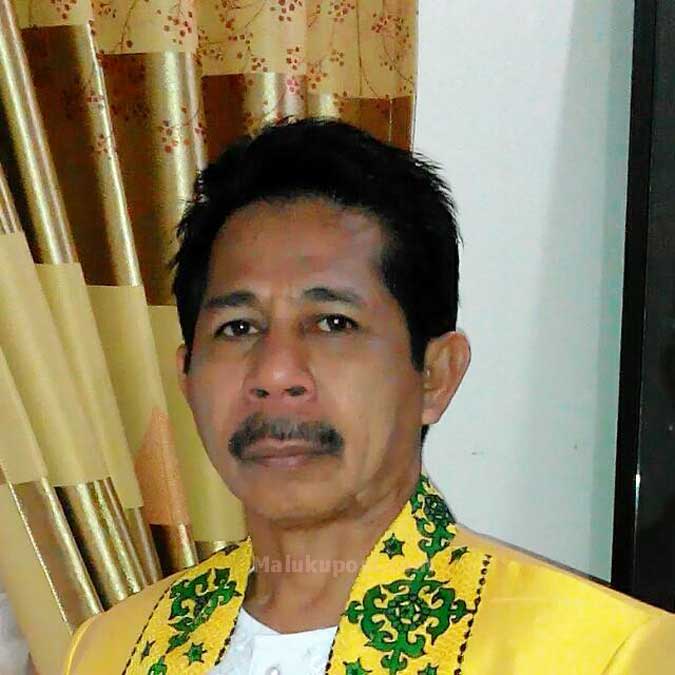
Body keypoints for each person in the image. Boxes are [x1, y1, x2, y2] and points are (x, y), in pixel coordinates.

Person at [64, 119, 675, 675]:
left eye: (333, 323)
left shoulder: (602, 655)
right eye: (238, 327)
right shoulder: (109, 652)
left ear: (435, 376)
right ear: (187, 378)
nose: (275, 373)